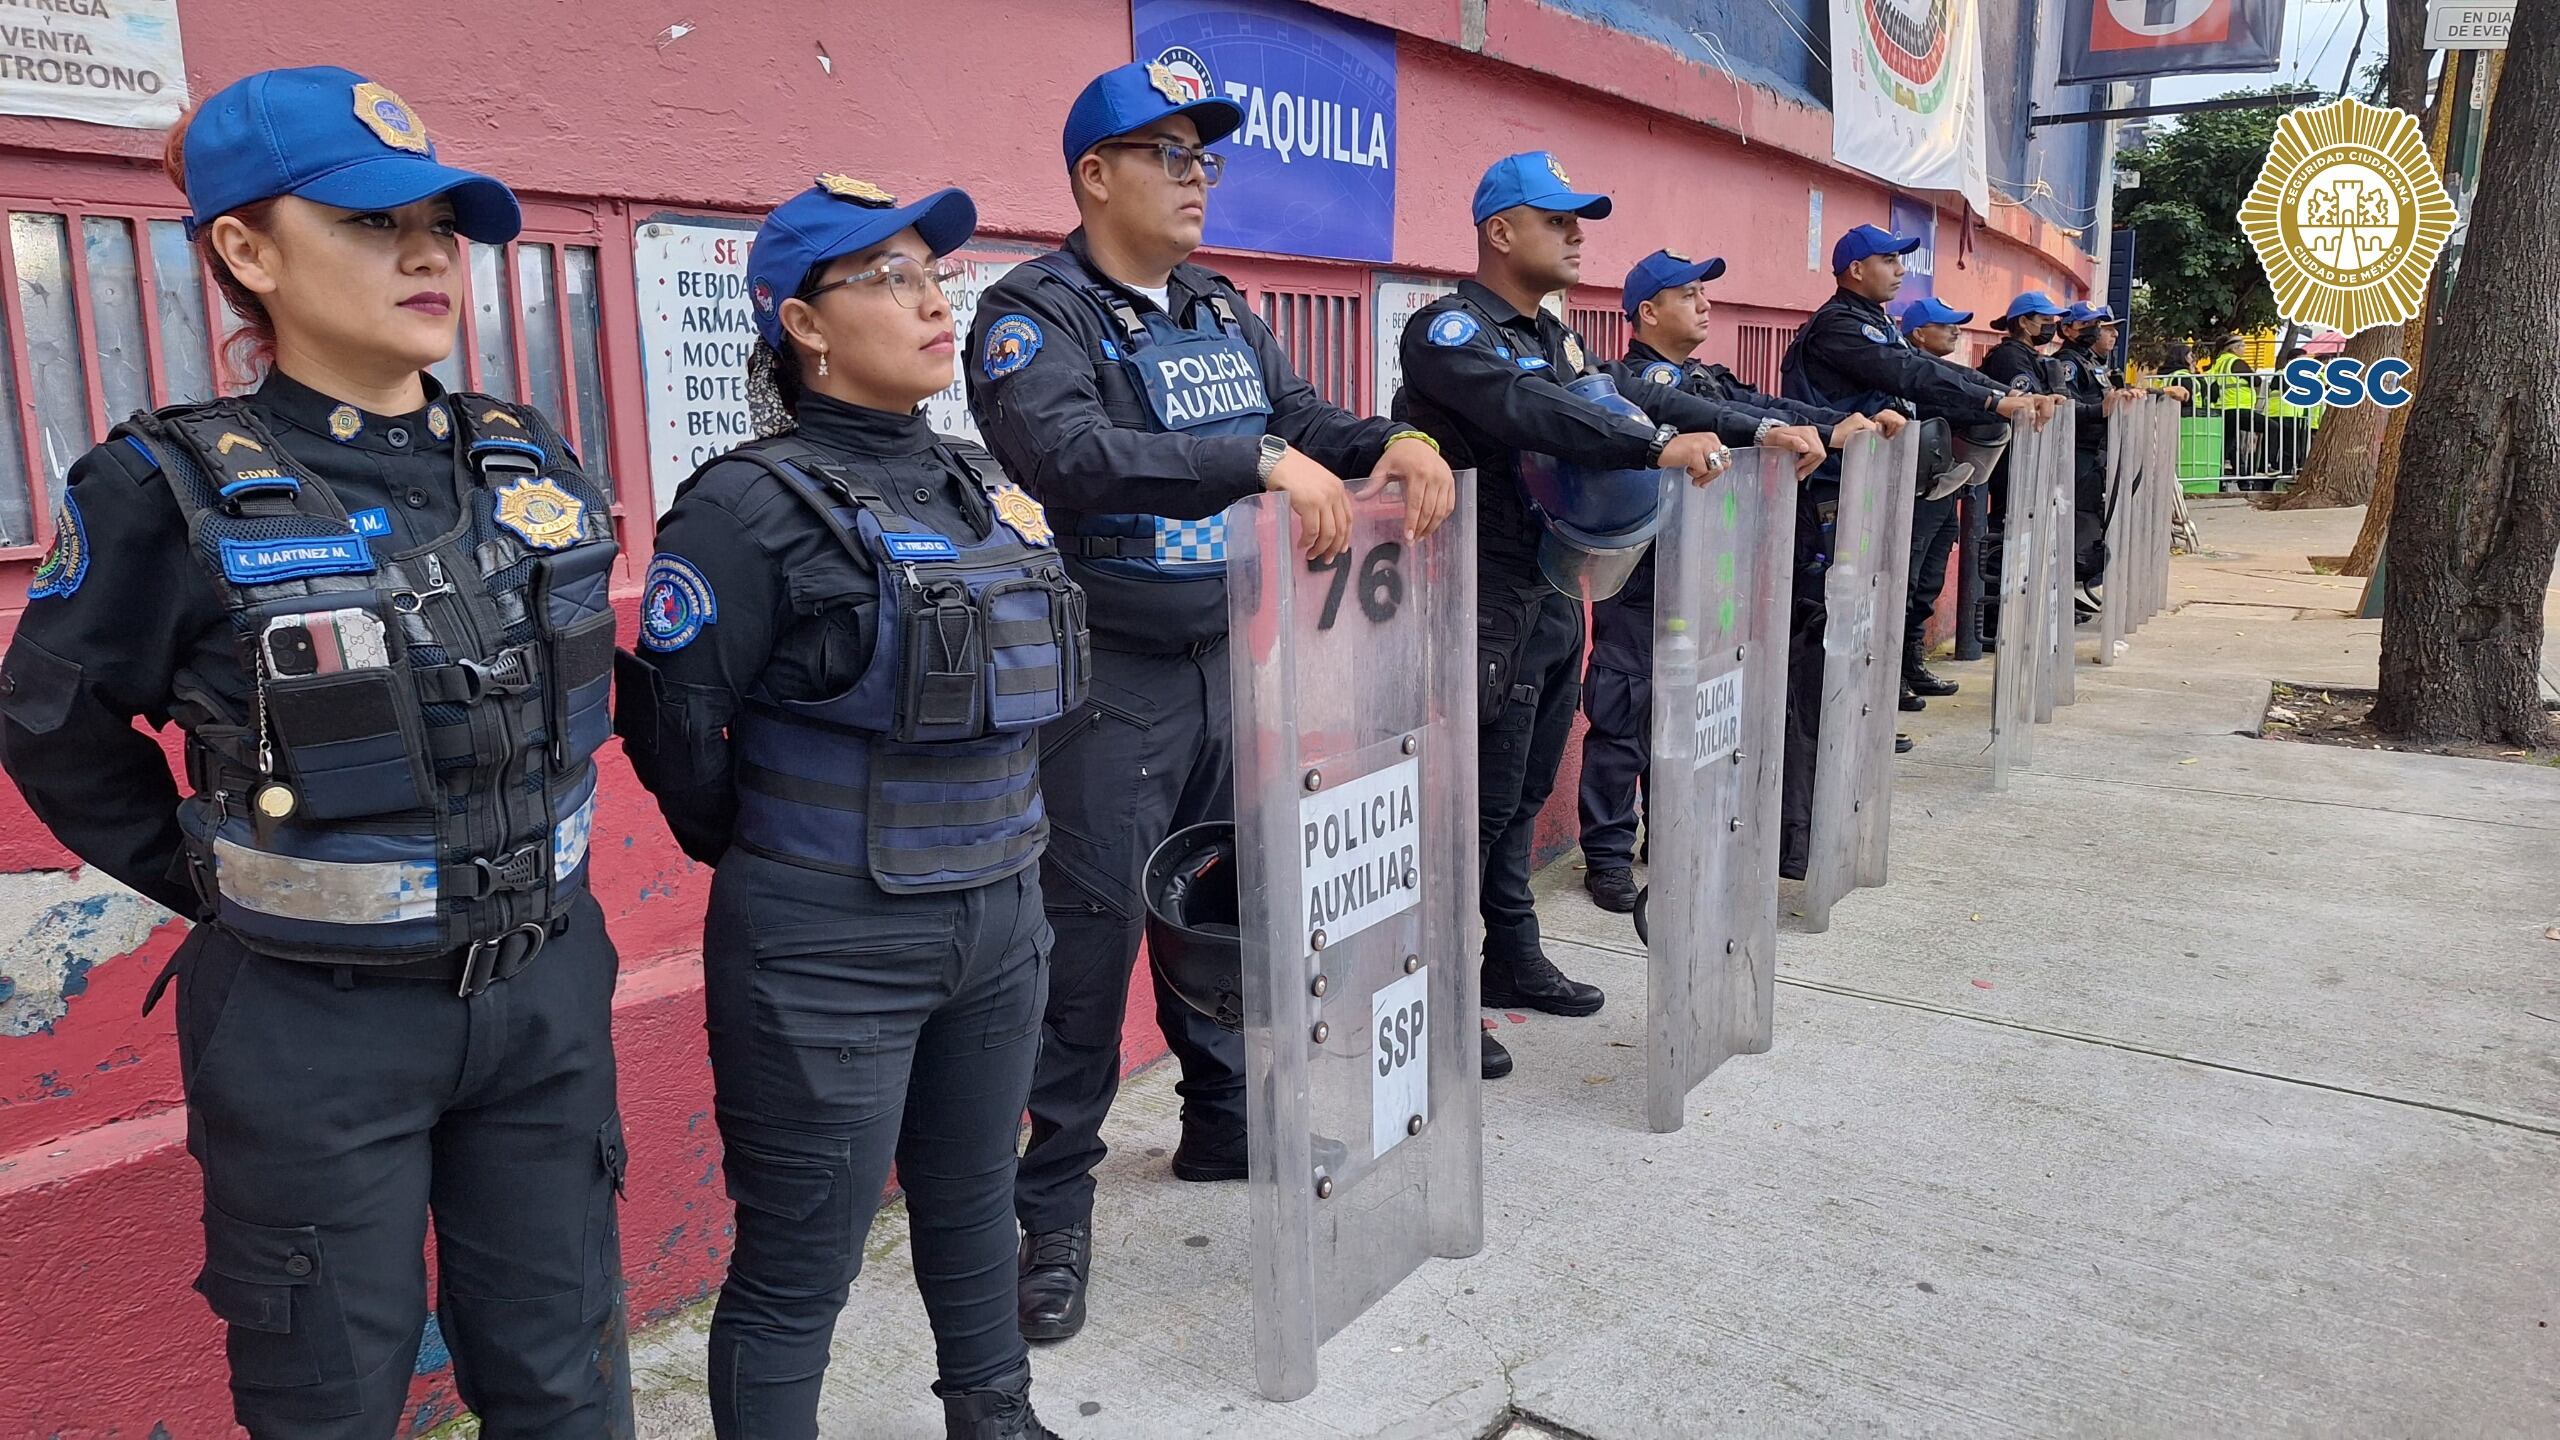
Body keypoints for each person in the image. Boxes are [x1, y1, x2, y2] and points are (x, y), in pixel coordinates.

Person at [0, 68, 628, 1438]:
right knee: (329, 1397)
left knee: (566, 1374)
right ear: (245, 250)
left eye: (440, 224)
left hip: (545, 986)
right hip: (313, 1024)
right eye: (366, 220)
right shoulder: (166, 485)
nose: (423, 251)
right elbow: (51, 722)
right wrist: (215, 870)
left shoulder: (521, 457)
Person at [965, 62, 1459, 1345]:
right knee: (1087, 945)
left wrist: (1385, 441)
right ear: (1094, 176)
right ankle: (1052, 1207)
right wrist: (1254, 461)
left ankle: (1223, 1123)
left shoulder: (1212, 303)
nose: (1195, 177)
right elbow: (1065, 451)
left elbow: (1295, 417)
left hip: (1239, 665)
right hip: (1111, 680)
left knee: (1238, 908)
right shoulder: (1036, 315)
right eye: (1168, 154)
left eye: (1206, 158)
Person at [615, 179, 1079, 1440]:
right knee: (799, 1260)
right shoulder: (743, 507)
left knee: (977, 1194)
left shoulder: (979, 483)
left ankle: (996, 1415)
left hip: (999, 912)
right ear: (803, 325)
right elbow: (675, 729)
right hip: (827, 941)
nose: (933, 298)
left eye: (934, 271)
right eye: (886, 277)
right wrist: (766, 848)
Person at [1394, 156, 1824, 1007]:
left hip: (1553, 589)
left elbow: (1635, 402)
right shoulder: (1449, 332)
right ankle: (1440, 1002)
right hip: (1474, 601)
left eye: (1577, 219)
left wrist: (1756, 430)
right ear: (1500, 231)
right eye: (1557, 220)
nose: (1577, 233)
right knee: (1469, 810)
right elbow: (1538, 412)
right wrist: (1644, 444)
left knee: (1521, 798)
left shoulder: (1561, 337)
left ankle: (1510, 956)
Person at [1575, 249, 1883, 914]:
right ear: (1648, 312)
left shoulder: (1703, 377)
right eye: (1689, 295)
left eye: (1705, 294)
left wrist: (1830, 426)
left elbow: (1758, 402)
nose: (1706, 304)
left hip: (1703, 576)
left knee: (1686, 707)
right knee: (1623, 712)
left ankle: (1670, 836)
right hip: (1640, 574)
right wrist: (1777, 429)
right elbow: (1678, 407)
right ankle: (1606, 856)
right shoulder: (1629, 380)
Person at [1777, 225, 2050, 876]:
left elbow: (1908, 378)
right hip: (1829, 514)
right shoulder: (1842, 329)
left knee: (1850, 663)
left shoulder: (1872, 324)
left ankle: (1830, 818)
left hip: (1866, 509)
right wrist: (1992, 396)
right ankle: (1798, 839)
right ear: (1850, 269)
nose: (1900, 269)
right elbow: (1905, 373)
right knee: (1819, 671)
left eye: (1902, 259)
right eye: (1885, 260)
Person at [1972, 291, 2068, 646]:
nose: (2051, 326)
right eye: (2044, 319)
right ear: (2024, 322)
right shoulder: (2011, 356)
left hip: (2028, 462)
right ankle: (1997, 623)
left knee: (2026, 541)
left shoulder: (2033, 357)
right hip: (2011, 463)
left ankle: (2015, 618)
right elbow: (2025, 403)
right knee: (2008, 538)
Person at [1894, 295, 1977, 706]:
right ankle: (1894, 676)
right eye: (1946, 325)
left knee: (1928, 582)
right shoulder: (1910, 373)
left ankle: (1912, 663)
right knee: (1905, 583)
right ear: (1918, 334)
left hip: (1943, 486)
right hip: (1914, 491)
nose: (1955, 331)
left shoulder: (1941, 371)